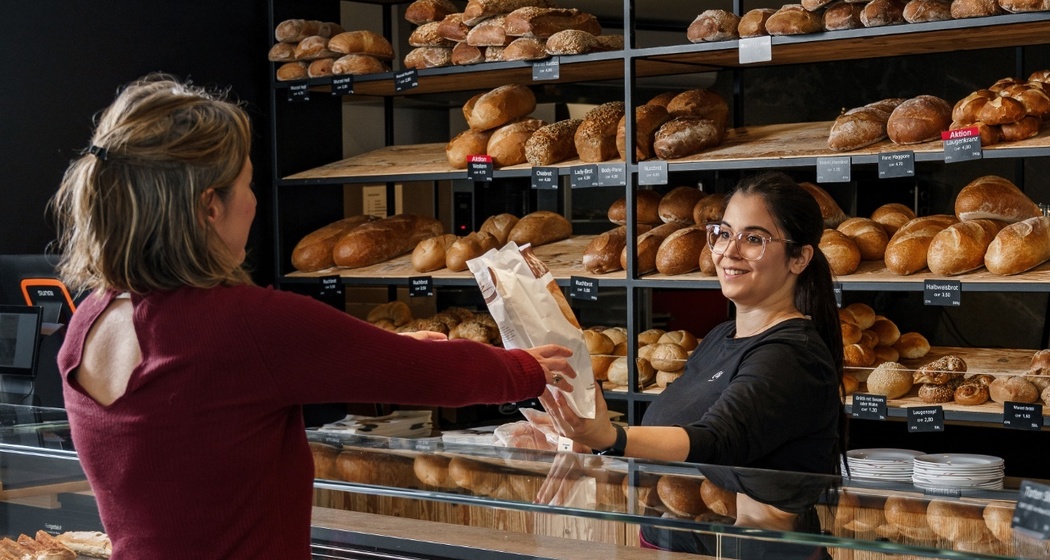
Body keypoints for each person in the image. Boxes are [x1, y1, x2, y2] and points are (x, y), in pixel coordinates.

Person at [49, 73, 576, 560]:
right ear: (210, 207)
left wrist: (390, 350)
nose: (254, 203)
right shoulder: (243, 322)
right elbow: (433, 376)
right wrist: (524, 368)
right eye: (249, 185)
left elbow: (214, 406)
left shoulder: (87, 323)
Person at [540, 171, 846, 557]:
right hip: (689, 545)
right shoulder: (721, 336)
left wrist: (611, 438)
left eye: (754, 239)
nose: (728, 251)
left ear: (799, 258)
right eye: (723, 232)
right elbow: (681, 430)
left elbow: (718, 440)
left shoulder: (792, 354)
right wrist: (584, 436)